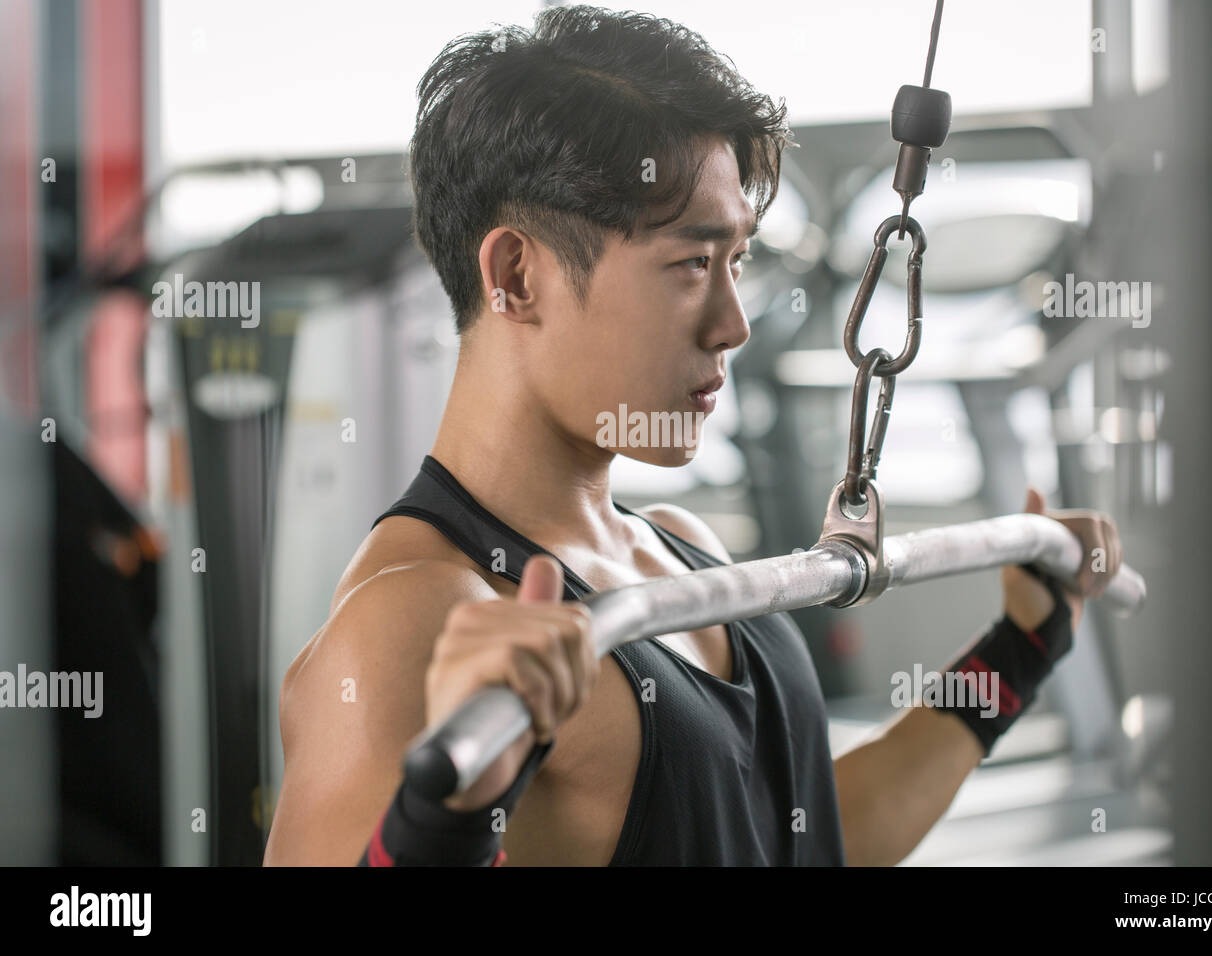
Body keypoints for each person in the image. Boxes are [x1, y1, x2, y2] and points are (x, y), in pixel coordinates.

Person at [262, 5, 1121, 867]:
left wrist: (1021, 648)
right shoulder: (411, 622)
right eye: (690, 264)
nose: (734, 323)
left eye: (738, 261)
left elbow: (807, 837)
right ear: (516, 275)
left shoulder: (681, 549)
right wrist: (447, 817)